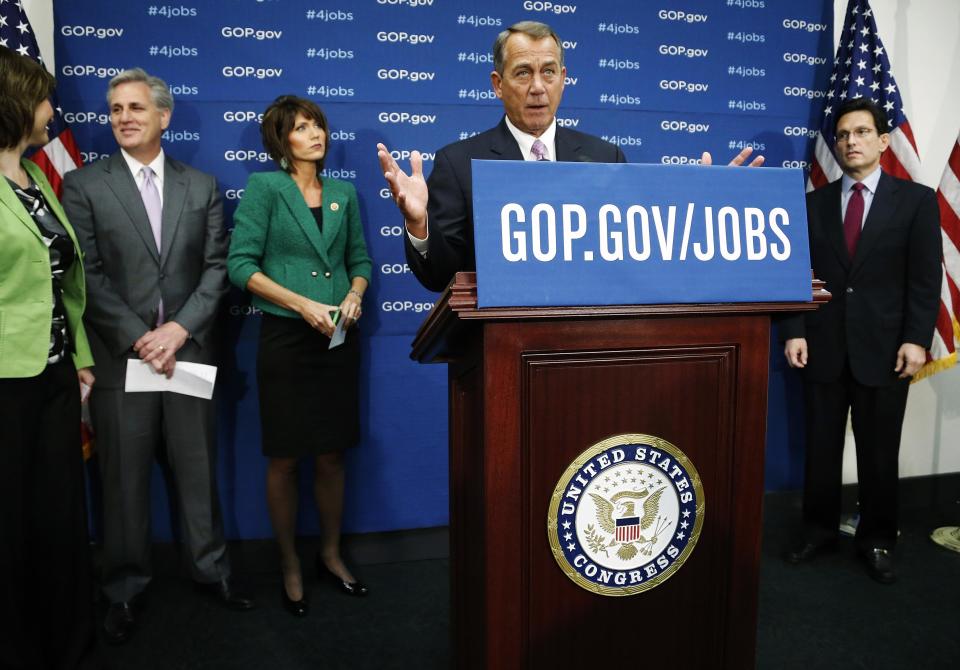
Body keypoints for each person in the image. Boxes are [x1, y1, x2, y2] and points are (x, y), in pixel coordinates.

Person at [61, 68, 254, 644]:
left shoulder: (202, 185)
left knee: (198, 472)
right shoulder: (85, 186)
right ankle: (122, 589)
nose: (124, 117)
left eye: (136, 108)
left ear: (163, 117)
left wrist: (177, 331)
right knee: (122, 483)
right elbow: (85, 273)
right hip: (125, 359)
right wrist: (141, 338)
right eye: (116, 108)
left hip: (188, 352)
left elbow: (218, 268)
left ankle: (211, 571)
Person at [377, 20, 763, 291]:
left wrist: (706, 213)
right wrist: (419, 226)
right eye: (523, 73)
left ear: (564, 78)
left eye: (549, 72)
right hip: (501, 349)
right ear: (498, 84)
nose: (538, 88)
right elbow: (440, 277)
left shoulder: (604, 156)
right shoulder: (459, 163)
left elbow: (641, 251)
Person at [780, 97, 942, 584]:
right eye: (844, 134)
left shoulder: (915, 201)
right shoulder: (812, 203)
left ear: (883, 140)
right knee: (821, 450)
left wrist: (917, 340)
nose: (851, 141)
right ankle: (818, 531)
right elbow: (795, 274)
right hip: (822, 349)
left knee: (878, 452)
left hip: (887, 352)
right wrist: (794, 330)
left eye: (862, 132)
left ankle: (877, 538)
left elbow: (923, 280)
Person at [228, 95, 373, 617]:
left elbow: (359, 258)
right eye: (302, 127)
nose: (316, 134)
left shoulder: (343, 192)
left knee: (333, 454)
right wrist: (300, 303)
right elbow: (241, 266)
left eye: (318, 125)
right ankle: (289, 563)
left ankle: (330, 556)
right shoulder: (265, 188)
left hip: (338, 339)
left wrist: (355, 292)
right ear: (281, 139)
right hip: (286, 340)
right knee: (285, 457)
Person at [0, 46, 98, 668]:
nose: (52, 111)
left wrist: (81, 359)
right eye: (43, 99)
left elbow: (62, 284)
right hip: (5, 387)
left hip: (58, 377)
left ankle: (71, 648)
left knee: (60, 521)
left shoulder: (35, 177)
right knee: (10, 530)